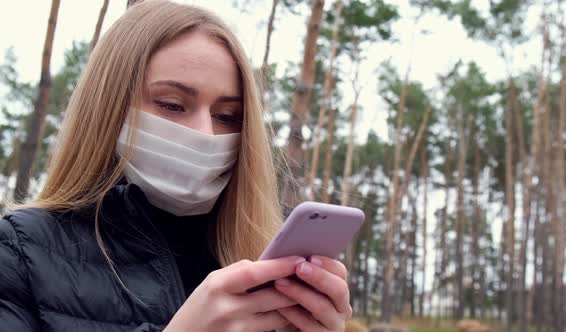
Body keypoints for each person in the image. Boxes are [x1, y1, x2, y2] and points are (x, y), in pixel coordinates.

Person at [0, 1, 352, 331]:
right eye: (172, 104)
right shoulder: (18, 250)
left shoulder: (256, 263)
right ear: (108, 108)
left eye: (227, 116)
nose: (205, 134)